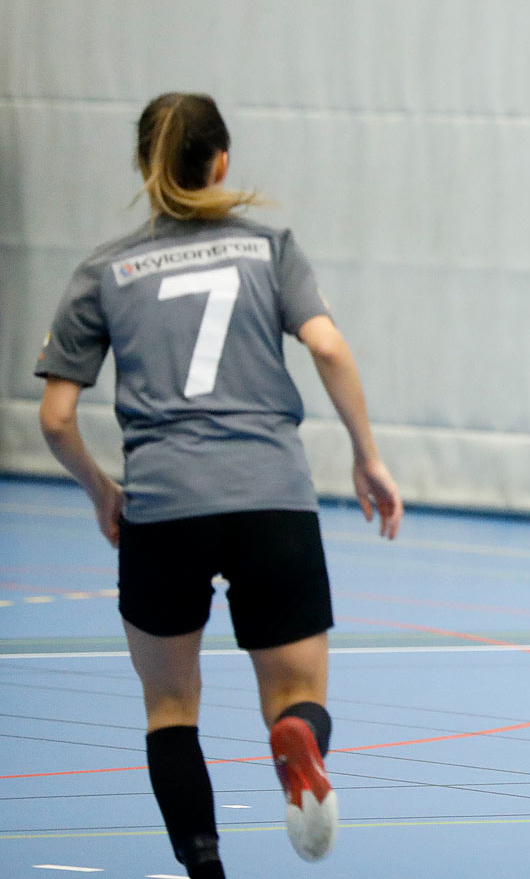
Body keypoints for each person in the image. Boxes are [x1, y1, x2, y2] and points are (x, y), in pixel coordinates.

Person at [34, 93, 403, 878]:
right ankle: (297, 736)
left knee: (171, 709)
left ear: (145, 169)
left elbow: (58, 418)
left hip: (164, 505)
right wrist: (366, 455)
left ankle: (204, 865)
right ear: (222, 162)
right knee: (298, 690)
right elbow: (329, 346)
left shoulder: (105, 269)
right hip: (270, 493)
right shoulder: (267, 246)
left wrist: (104, 492)